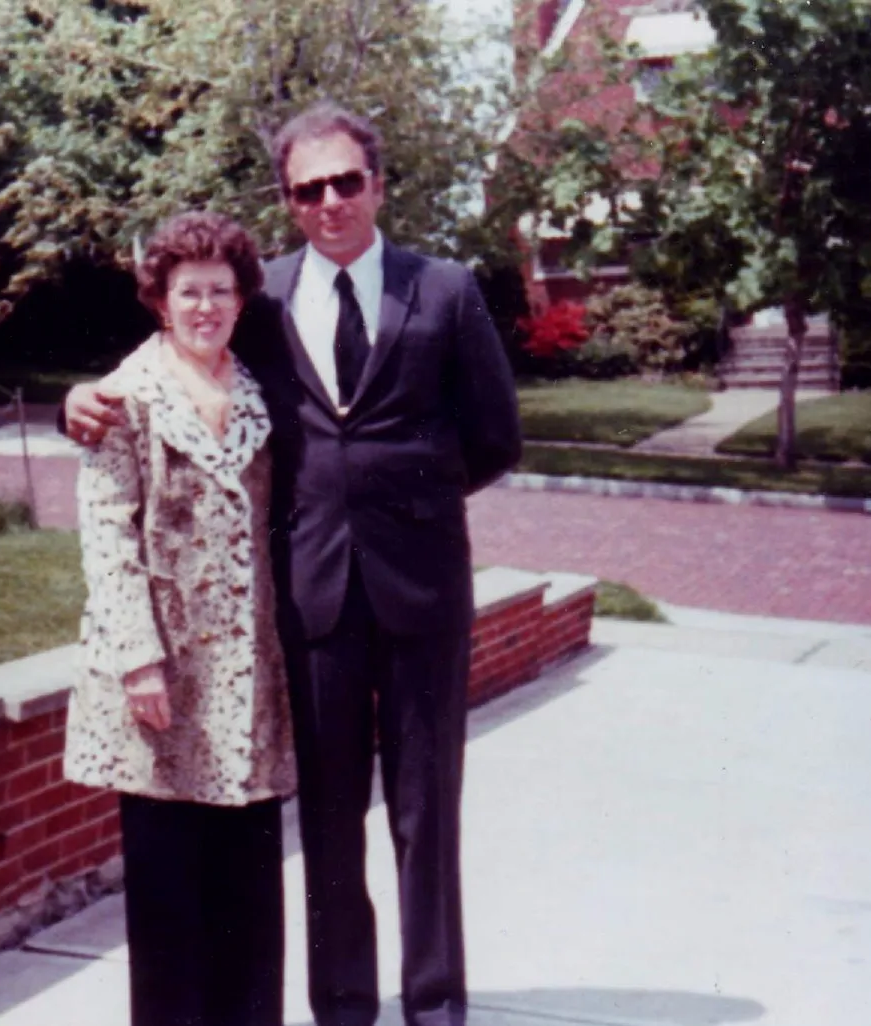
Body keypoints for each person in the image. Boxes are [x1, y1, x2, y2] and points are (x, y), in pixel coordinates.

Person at [65, 103, 521, 1026]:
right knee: (326, 823)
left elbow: (496, 436)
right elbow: (165, 369)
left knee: (426, 817)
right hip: (309, 601)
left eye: (345, 181)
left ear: (377, 185)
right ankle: (343, 1006)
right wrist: (75, 403)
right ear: (288, 200)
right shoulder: (256, 296)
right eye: (307, 188)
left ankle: (434, 1004)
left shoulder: (442, 289)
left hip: (423, 590)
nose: (329, 202)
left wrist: (407, 508)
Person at [62, 211, 296, 1026]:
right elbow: (106, 538)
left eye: (219, 292)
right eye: (187, 292)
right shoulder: (124, 398)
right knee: (170, 904)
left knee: (249, 890)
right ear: (160, 300)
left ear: (240, 301)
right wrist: (138, 661)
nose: (204, 307)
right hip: (160, 682)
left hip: (245, 681)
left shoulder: (259, 388)